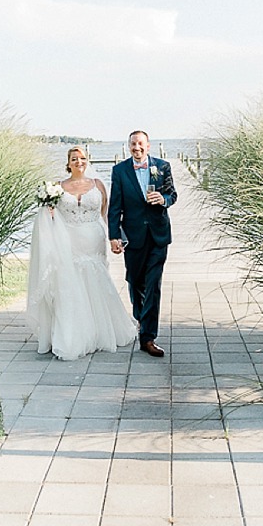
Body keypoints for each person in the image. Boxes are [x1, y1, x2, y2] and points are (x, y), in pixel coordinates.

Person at [26, 145, 136, 361]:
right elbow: (49, 218)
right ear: (68, 163)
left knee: (95, 279)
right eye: (74, 158)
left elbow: (106, 214)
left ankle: (101, 330)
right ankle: (72, 334)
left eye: (82, 158)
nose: (79, 162)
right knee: (69, 283)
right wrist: (48, 213)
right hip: (67, 240)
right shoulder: (57, 187)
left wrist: (115, 238)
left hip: (93, 239)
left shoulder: (98, 185)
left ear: (88, 161)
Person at [108, 130, 177, 357]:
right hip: (134, 236)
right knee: (135, 281)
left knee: (153, 285)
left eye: (140, 144)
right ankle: (141, 316)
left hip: (158, 235)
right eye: (132, 144)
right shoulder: (120, 171)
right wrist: (114, 236)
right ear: (129, 147)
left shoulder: (163, 166)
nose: (136, 147)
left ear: (148, 146)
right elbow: (115, 206)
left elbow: (173, 195)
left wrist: (163, 200)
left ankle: (148, 338)